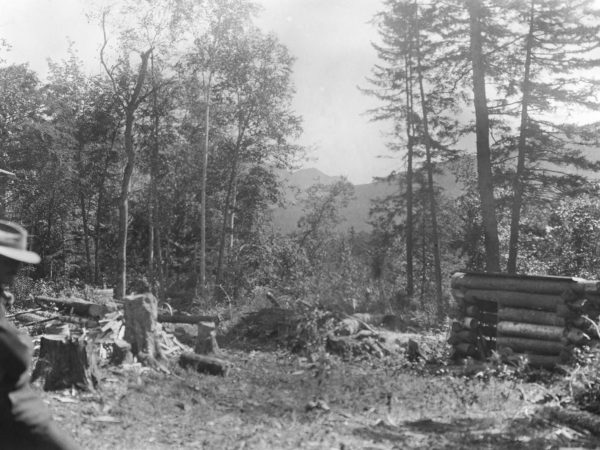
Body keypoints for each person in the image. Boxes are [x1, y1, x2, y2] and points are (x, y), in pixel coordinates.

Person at [0, 220, 79, 449]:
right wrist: (24, 339)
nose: (15, 269)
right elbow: (18, 356)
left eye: (17, 262)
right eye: (9, 261)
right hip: (13, 409)